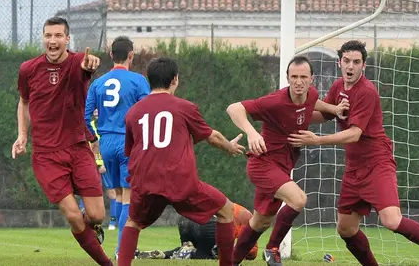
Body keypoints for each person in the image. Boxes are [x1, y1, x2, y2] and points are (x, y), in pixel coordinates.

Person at [287, 40, 419, 266]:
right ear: (340, 62)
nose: (350, 66)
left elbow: (354, 134)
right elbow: (325, 115)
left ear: (364, 66)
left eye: (356, 62)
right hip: (354, 168)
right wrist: (291, 112)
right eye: (347, 61)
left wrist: (317, 140)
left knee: (391, 220)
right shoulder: (338, 87)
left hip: (377, 163)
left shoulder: (367, 91)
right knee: (346, 228)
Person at [116, 57, 245, 266]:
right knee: (227, 211)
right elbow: (212, 136)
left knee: (133, 222)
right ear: (175, 79)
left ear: (149, 80)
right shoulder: (185, 107)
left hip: (146, 180)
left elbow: (131, 151)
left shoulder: (133, 112)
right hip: (181, 181)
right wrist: (229, 147)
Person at [226, 55, 349, 266]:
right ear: (287, 78)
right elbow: (233, 108)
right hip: (263, 163)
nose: (298, 81)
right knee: (299, 199)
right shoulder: (274, 102)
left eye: (303, 77)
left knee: (260, 221)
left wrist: (333, 109)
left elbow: (313, 103)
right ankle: (272, 250)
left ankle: (229, 262)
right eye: (294, 77)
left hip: (283, 166)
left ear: (312, 79)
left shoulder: (311, 94)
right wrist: (252, 133)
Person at [12, 16, 113, 266]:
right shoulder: (28, 69)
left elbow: (89, 65)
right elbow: (23, 102)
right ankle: (107, 263)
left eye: (58, 36)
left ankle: (88, 231)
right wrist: (22, 135)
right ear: (44, 38)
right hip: (46, 155)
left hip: (78, 149)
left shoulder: (79, 61)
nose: (53, 41)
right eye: (48, 36)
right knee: (74, 217)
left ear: (67, 39)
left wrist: (92, 63)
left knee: (97, 215)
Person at [85, 36, 150, 255]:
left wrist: (94, 140)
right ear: (131, 54)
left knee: (120, 195)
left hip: (105, 143)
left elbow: (85, 117)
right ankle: (124, 250)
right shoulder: (138, 81)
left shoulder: (98, 83)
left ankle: (124, 247)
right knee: (129, 196)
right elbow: (147, 112)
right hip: (128, 142)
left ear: (111, 55)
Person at [134, 203, 259, 260]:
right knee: (207, 255)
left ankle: (164, 254)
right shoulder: (248, 217)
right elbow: (252, 253)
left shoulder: (230, 206)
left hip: (185, 220)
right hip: (207, 225)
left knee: (189, 248)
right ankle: (184, 255)